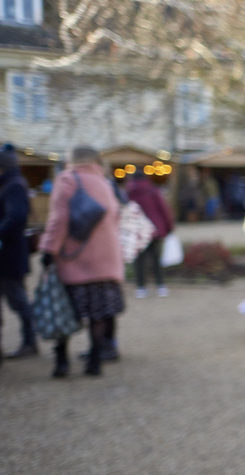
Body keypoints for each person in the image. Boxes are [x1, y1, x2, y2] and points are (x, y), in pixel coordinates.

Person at [39, 146, 126, 378]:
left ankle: (62, 362)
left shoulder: (68, 179)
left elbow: (59, 219)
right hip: (106, 260)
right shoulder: (106, 183)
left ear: (72, 159)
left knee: (64, 310)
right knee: (97, 313)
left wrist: (48, 249)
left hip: (75, 258)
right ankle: (95, 362)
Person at [0, 147, 38, 360]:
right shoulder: (10, 183)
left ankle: (30, 341)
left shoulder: (13, 185)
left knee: (18, 300)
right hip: (9, 253)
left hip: (9, 254)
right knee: (18, 299)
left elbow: (16, 217)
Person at [126, 170, 175, 298]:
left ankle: (141, 287)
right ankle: (160, 285)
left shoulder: (128, 193)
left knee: (139, 261)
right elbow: (163, 209)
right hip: (154, 229)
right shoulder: (152, 190)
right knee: (155, 259)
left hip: (137, 231)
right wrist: (169, 227)